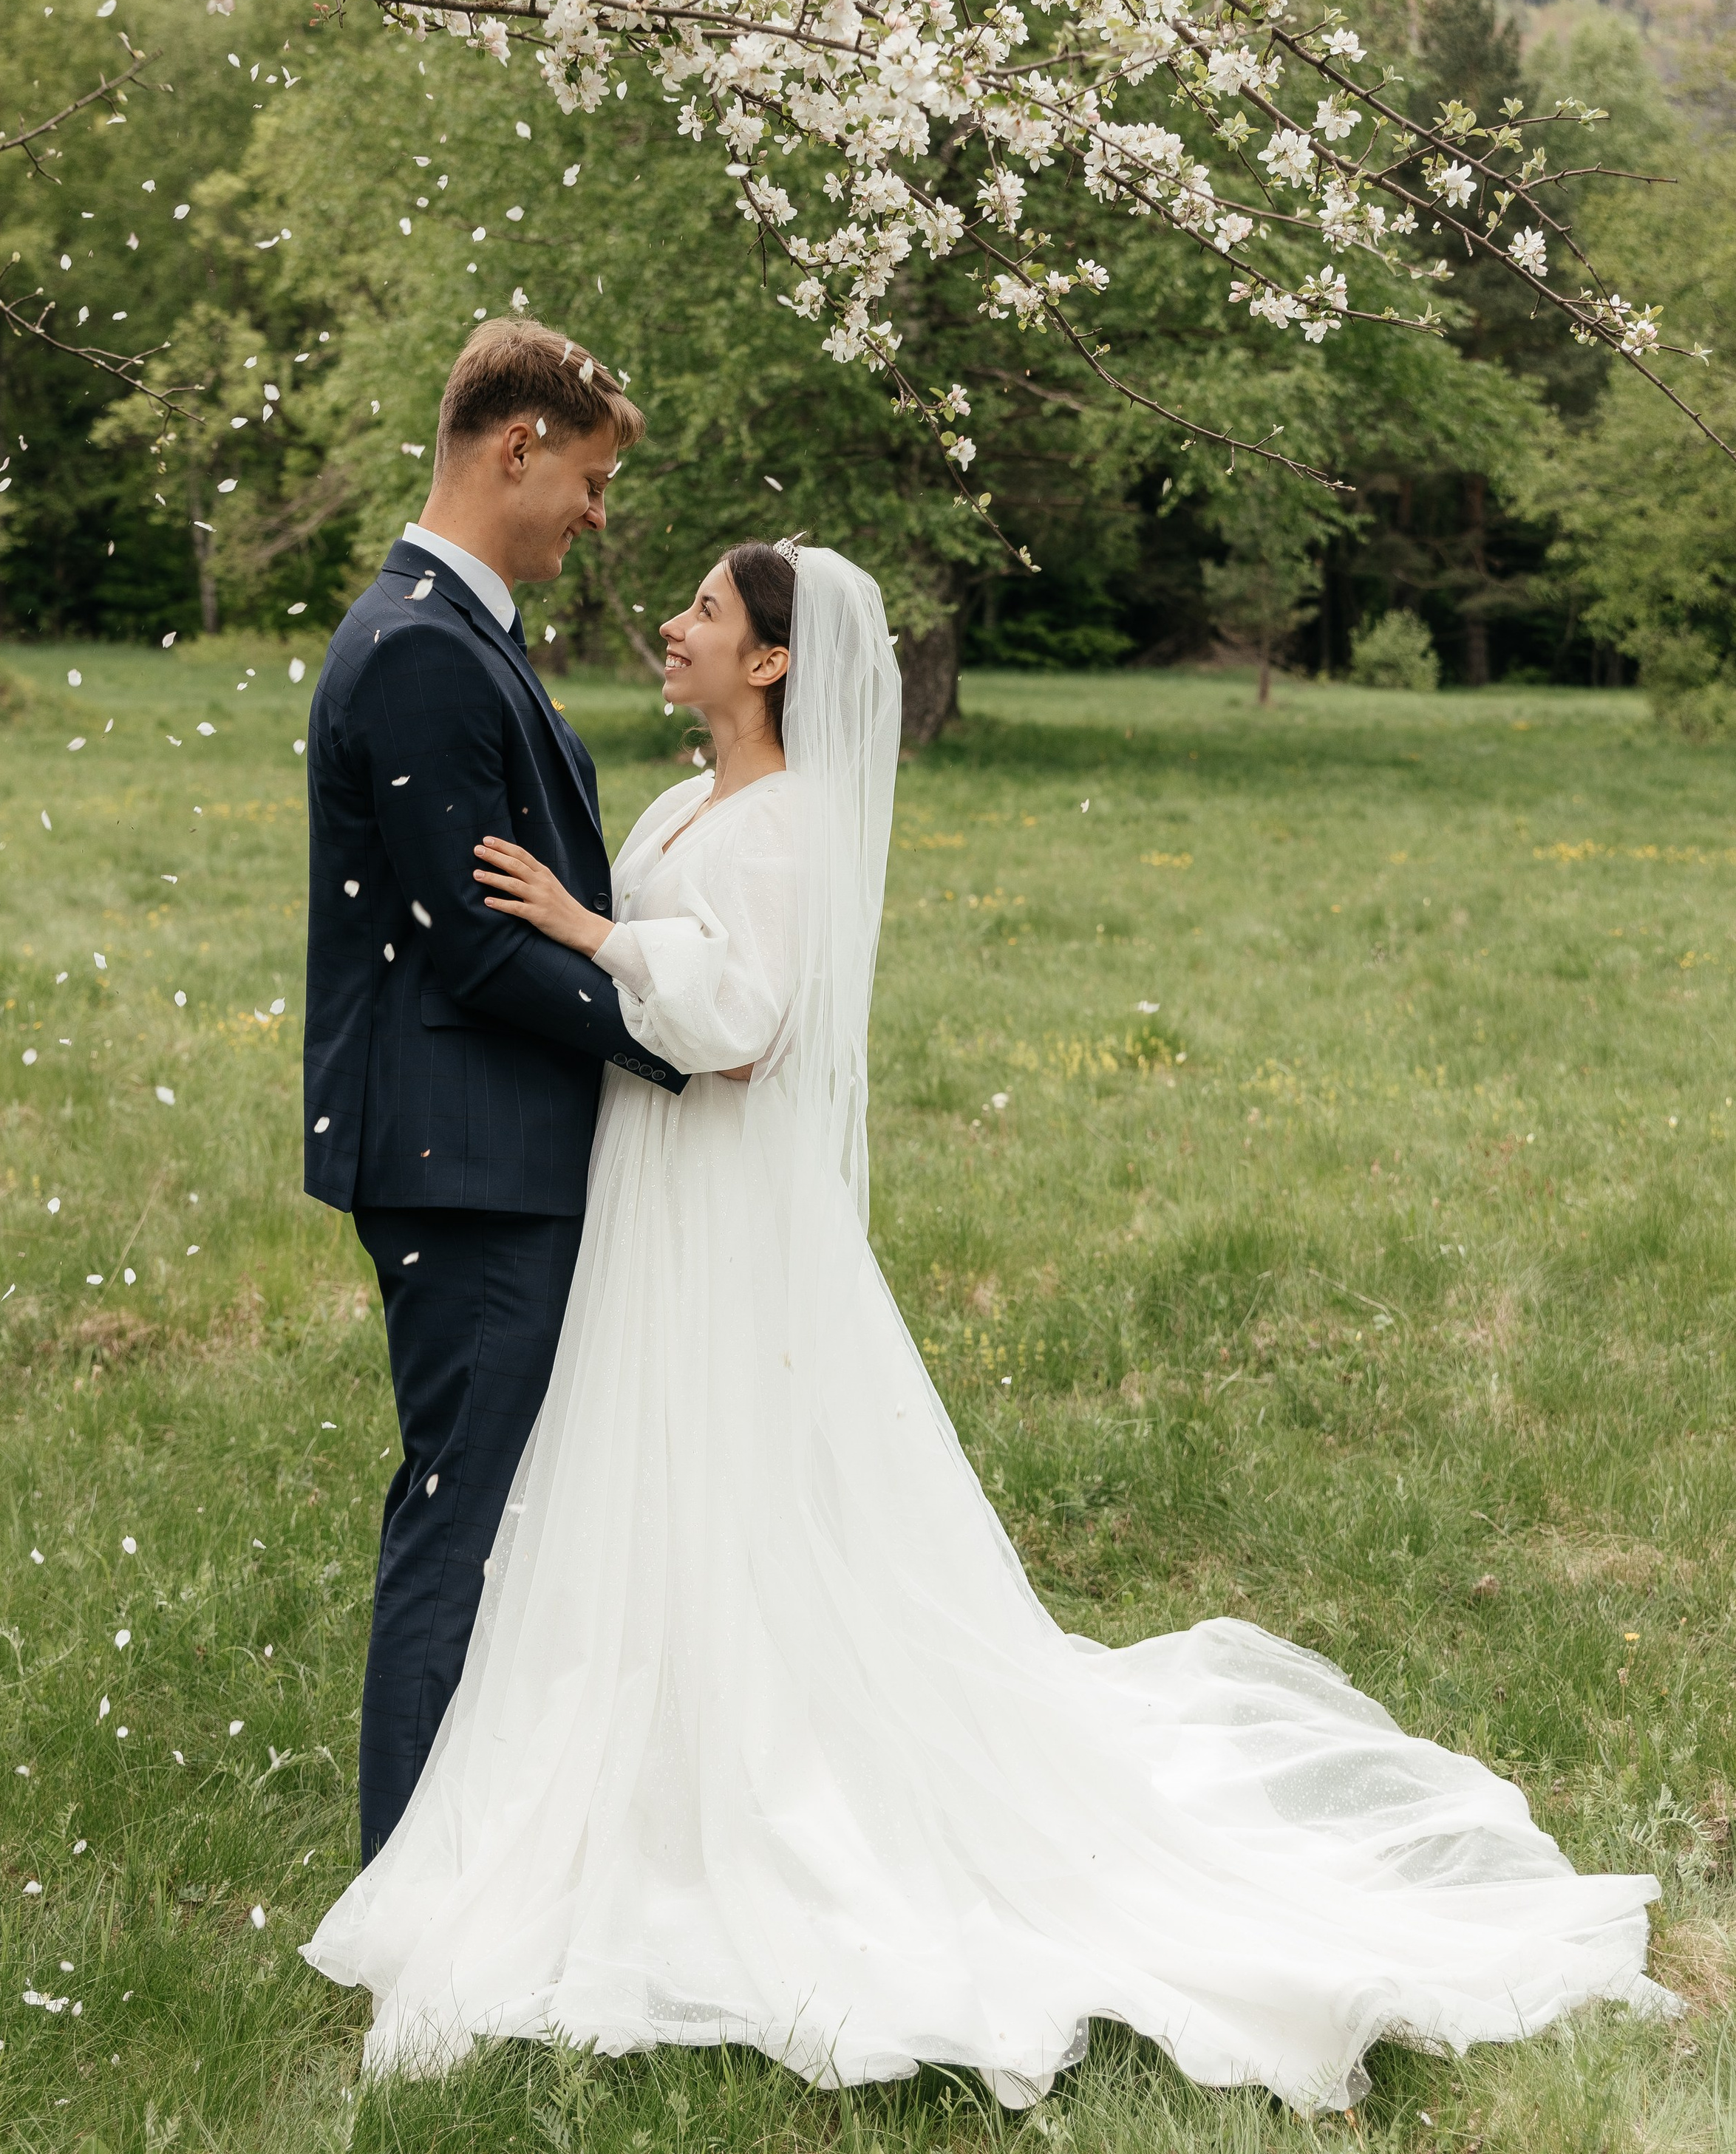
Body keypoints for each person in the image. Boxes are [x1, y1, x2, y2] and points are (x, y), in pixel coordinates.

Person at [305, 540, 1674, 2112]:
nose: (672, 626)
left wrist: (590, 930)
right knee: (648, 1485)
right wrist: (588, 933)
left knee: (736, 1481)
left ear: (771, 663)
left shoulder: (788, 826)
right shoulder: (684, 805)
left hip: (717, 1198)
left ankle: (759, 1797)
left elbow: (744, 1027)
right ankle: (637, 1783)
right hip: (651, 1187)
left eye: (706, 612)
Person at [301, 318, 688, 1864]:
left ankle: (480, 1855)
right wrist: (674, 1034)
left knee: (498, 1513)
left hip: (489, 1147)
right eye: (588, 479)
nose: (595, 513)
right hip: (464, 1159)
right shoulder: (416, 649)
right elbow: (471, 943)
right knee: (461, 1518)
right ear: (515, 447)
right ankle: (408, 1891)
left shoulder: (457, 631)